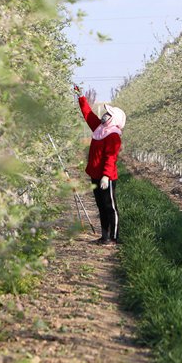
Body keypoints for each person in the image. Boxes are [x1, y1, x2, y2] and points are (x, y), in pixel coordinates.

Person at [74, 85, 126, 245]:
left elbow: (111, 158)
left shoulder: (113, 136)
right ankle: (105, 236)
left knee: (110, 206)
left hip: (106, 177)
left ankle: (114, 238)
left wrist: (105, 176)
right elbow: (88, 114)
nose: (104, 116)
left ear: (114, 119)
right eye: (105, 113)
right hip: (95, 175)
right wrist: (81, 97)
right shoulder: (99, 129)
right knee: (101, 206)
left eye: (108, 114)